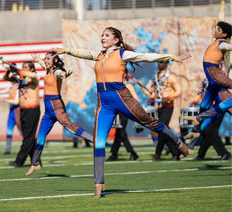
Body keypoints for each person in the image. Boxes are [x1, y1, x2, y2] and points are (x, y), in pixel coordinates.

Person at [57, 26, 191, 198]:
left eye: (107, 35)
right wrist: (65, 50)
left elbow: (147, 56)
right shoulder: (99, 55)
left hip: (122, 98)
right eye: (102, 35)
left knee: (148, 122)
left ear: (116, 40)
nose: (103, 38)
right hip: (103, 104)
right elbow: (82, 53)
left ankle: (177, 141)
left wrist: (173, 57)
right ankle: (98, 184)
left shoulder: (123, 54)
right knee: (98, 143)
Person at [27, 52, 94, 175]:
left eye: (49, 59)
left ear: (55, 61)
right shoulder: (48, 70)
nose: (46, 61)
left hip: (56, 106)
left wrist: (65, 74)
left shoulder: (56, 72)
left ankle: (93, 139)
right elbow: (43, 64)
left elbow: (60, 74)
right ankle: (35, 163)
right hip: (48, 110)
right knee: (40, 136)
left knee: (70, 126)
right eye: (45, 59)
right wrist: (37, 60)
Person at [185, 21, 232, 157]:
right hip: (213, 79)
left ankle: (195, 131)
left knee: (206, 110)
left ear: (224, 34)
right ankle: (194, 136)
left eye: (218, 30)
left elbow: (228, 47)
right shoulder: (217, 44)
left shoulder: (223, 45)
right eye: (215, 29)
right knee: (204, 106)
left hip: (215, 78)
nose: (215, 31)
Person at [5, 61, 39, 169]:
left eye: (26, 67)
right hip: (23, 110)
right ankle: (36, 161)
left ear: (32, 69)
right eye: (22, 67)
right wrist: (9, 70)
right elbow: (6, 78)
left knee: (28, 137)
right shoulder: (21, 79)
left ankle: (19, 161)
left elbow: (32, 75)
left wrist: (18, 71)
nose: (23, 69)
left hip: (32, 109)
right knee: (28, 137)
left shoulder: (34, 78)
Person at [145, 62, 182, 160]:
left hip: (168, 106)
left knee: (162, 128)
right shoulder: (157, 76)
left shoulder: (170, 76)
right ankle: (175, 153)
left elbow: (179, 90)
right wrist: (151, 98)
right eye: (158, 62)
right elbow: (155, 91)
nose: (159, 64)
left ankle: (159, 153)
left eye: (161, 62)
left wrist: (169, 97)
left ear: (166, 63)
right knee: (163, 130)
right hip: (158, 106)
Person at [4, 81, 20, 154]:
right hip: (11, 113)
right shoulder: (10, 88)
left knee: (23, 132)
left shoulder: (18, 88)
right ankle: (8, 149)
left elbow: (16, 101)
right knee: (9, 131)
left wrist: (6, 100)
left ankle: (30, 147)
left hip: (17, 112)